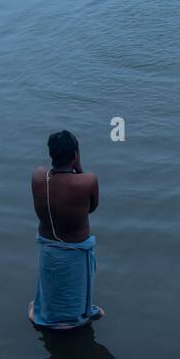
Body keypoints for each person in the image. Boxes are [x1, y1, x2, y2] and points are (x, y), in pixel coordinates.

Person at [29, 130, 104, 330]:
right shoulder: (88, 180)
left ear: (51, 154)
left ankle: (45, 312)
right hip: (76, 247)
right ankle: (80, 315)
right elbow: (92, 208)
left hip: (48, 244)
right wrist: (78, 168)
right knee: (76, 288)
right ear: (75, 155)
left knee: (51, 282)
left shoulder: (38, 176)